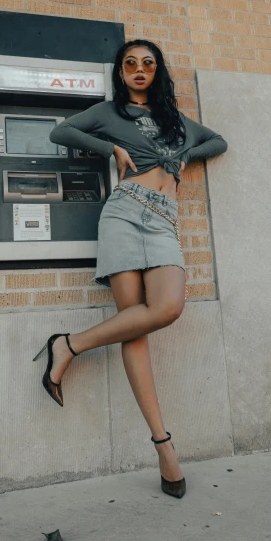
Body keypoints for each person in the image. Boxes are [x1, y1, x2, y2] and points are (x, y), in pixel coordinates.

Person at [33, 38, 227, 499]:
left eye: (148, 64)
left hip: (163, 220)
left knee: (167, 307)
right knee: (133, 332)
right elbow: (61, 132)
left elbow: (218, 141)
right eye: (130, 64)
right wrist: (109, 150)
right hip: (124, 213)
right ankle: (164, 448)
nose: (139, 70)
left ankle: (68, 344)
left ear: (158, 71)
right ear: (121, 72)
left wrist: (182, 156)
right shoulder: (109, 113)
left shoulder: (177, 122)